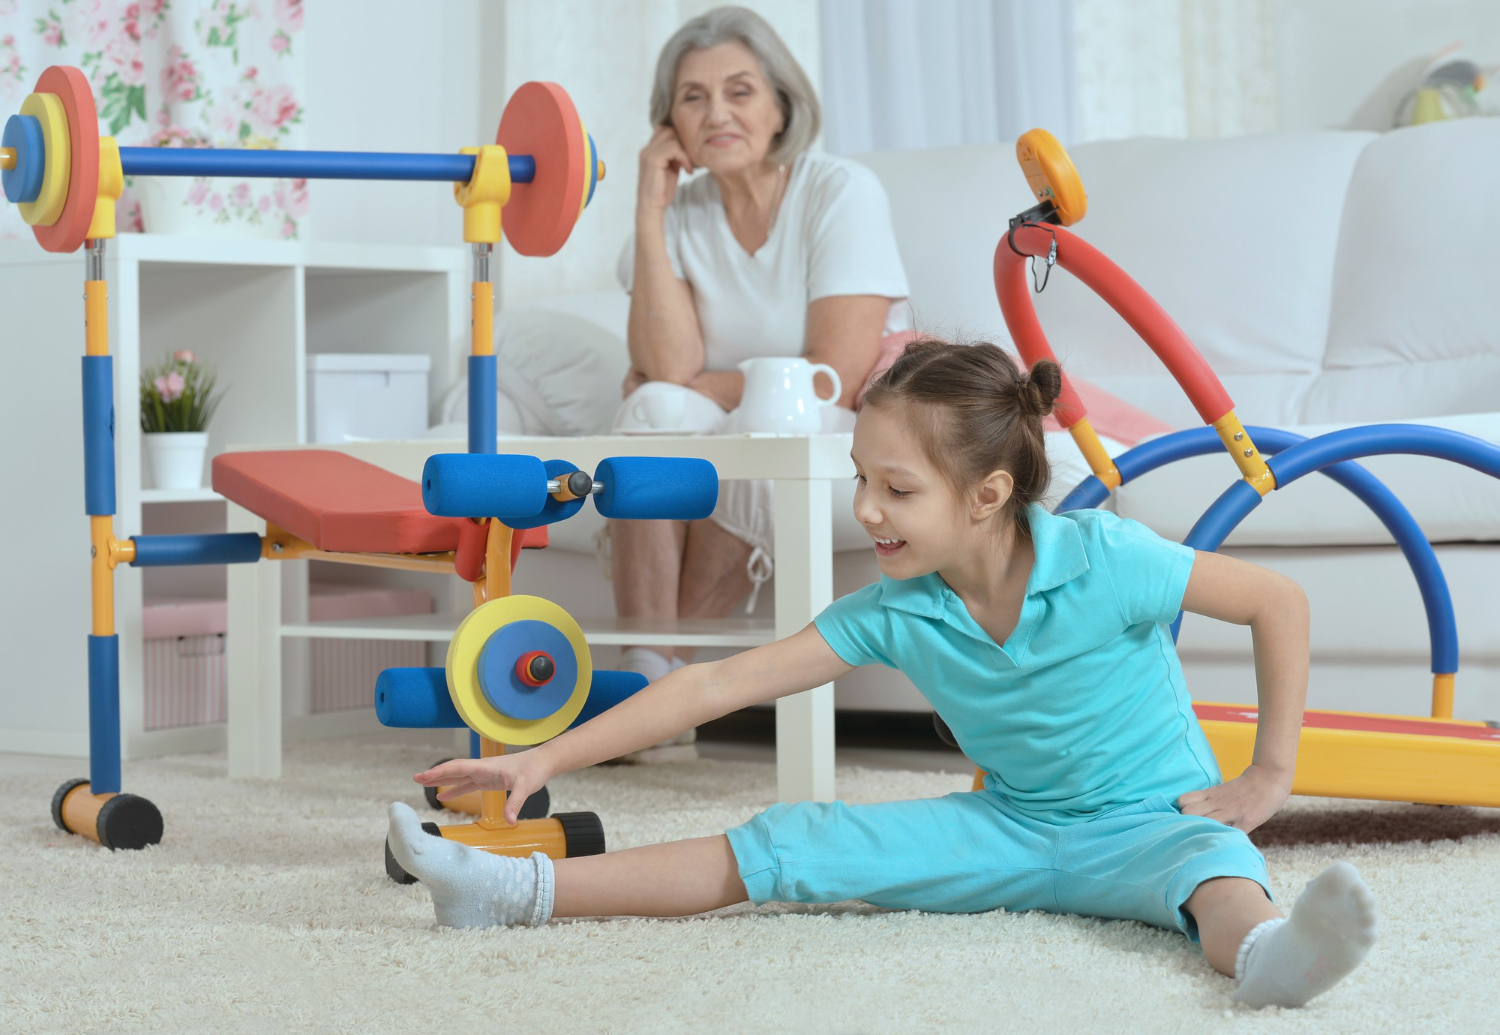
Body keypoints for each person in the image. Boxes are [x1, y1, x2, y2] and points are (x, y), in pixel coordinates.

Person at [387, 340, 1378, 1009]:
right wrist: (539, 757)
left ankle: (1269, 961)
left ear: (988, 495)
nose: (866, 509)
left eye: (896, 489)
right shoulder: (897, 611)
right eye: (861, 477)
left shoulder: (1106, 556)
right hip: (1012, 830)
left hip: (1158, 821)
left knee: (1221, 883)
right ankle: (509, 893)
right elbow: (713, 687)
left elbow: (1273, 602)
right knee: (792, 839)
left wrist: (1269, 775)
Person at [607, 6, 911, 759]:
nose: (717, 113)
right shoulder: (681, 210)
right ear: (668, 121)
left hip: (842, 429)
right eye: (693, 97)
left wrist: (706, 385)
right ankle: (648, 669)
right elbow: (664, 373)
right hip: (745, 425)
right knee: (649, 407)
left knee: (748, 426)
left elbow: (831, 379)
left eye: (740, 91)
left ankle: (658, 695)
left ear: (781, 105)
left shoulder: (840, 190)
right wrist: (650, 210)